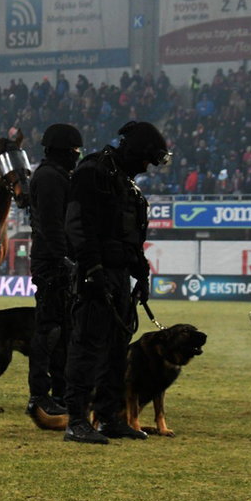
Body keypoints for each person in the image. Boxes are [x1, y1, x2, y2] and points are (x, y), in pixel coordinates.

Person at [63, 121, 171, 444]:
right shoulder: (93, 173)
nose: (145, 169)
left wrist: (142, 274)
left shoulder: (123, 182)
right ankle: (77, 420)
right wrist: (92, 269)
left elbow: (131, 237)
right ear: (137, 153)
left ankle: (108, 417)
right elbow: (78, 225)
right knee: (87, 347)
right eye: (145, 161)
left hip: (120, 274)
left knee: (115, 349)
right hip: (95, 272)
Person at [26, 123, 83, 417]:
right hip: (52, 263)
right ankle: (38, 395)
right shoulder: (50, 178)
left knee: (64, 331)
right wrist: (63, 257)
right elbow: (51, 224)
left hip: (56, 261)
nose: (77, 156)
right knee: (48, 330)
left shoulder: (57, 175)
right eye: (74, 151)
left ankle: (59, 390)